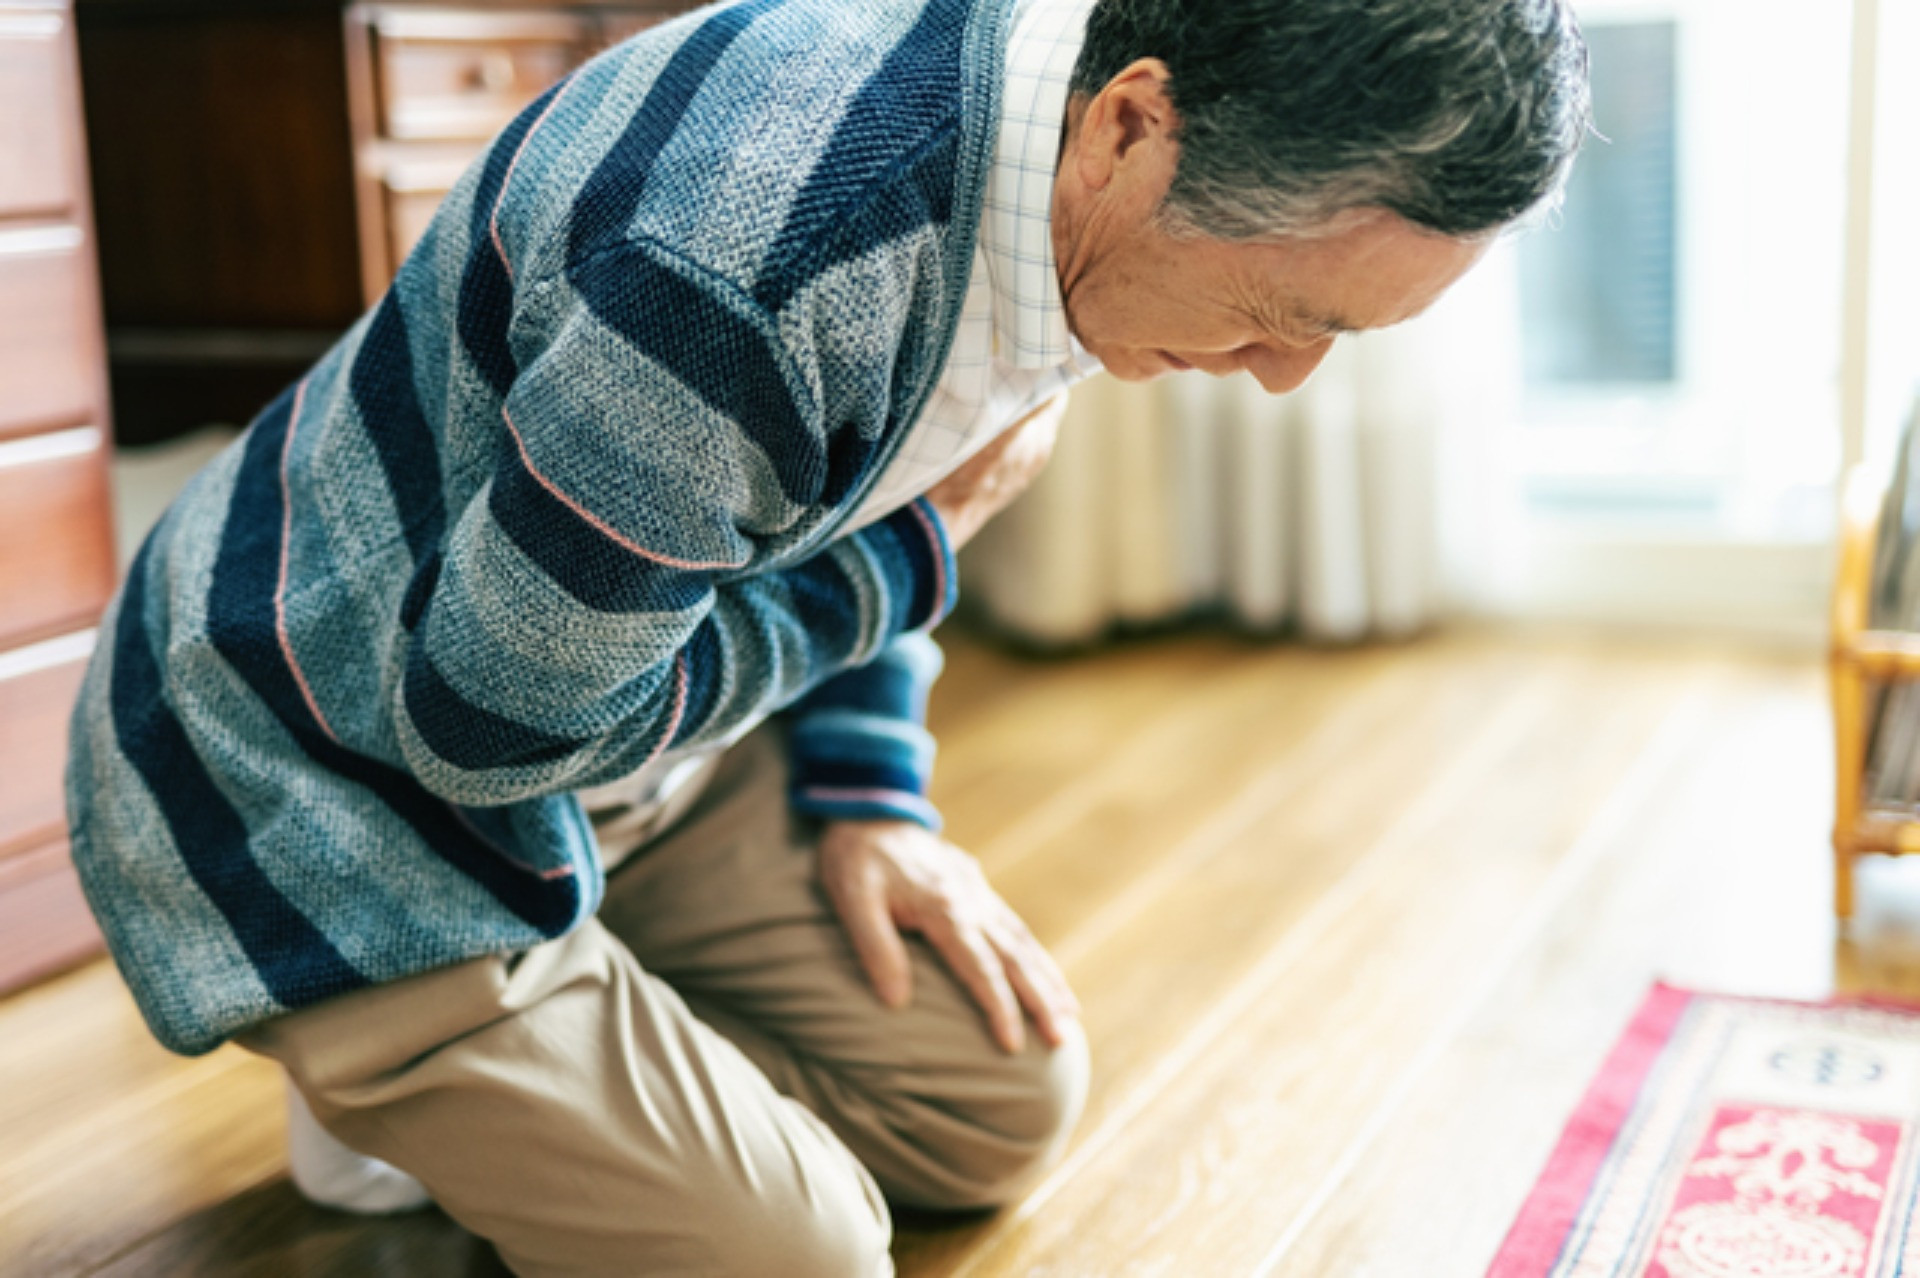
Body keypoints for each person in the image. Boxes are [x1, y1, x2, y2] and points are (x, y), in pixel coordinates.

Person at [65, 0, 1589, 1271]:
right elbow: (493, 727)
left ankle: (549, 1072)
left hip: (615, 731)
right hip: (333, 772)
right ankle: (407, 1073)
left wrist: (870, 795)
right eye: (1278, 312)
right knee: (804, 1256)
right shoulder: (749, 268)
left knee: (994, 1101)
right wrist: (922, 561)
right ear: (1135, 126)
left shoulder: (1050, 152)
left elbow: (855, 481)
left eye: (1341, 338)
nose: (1279, 380)